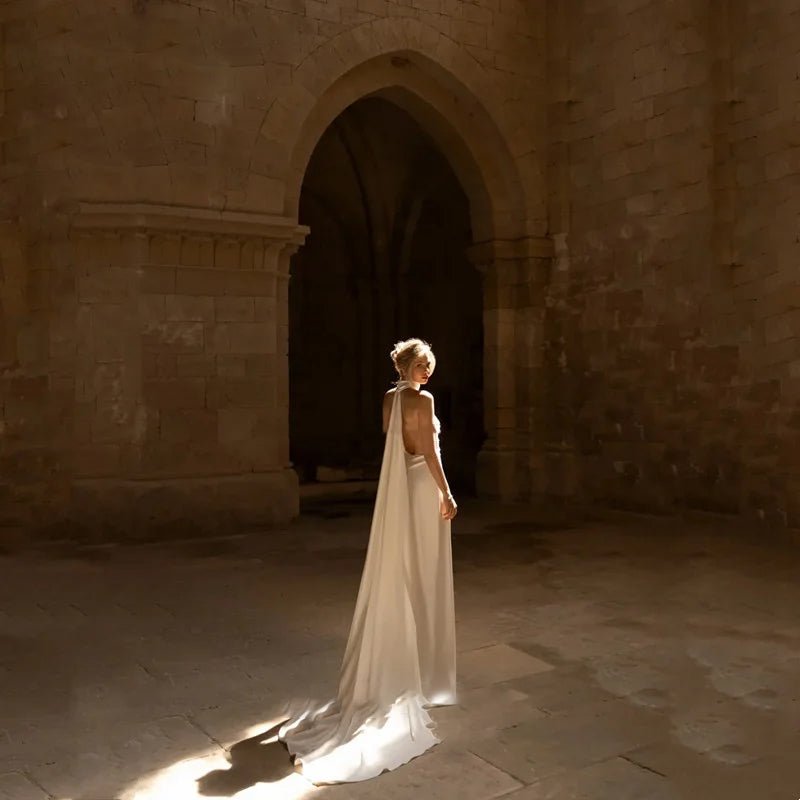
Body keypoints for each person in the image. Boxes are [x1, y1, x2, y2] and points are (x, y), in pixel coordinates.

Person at [279, 338, 458, 784]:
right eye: (420, 364)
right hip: (423, 487)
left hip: (404, 490)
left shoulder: (389, 399)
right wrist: (447, 492)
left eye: (429, 364)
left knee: (405, 569)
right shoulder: (423, 400)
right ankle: (418, 669)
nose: (427, 371)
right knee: (424, 573)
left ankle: (411, 663)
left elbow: (394, 446)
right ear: (404, 365)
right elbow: (428, 452)